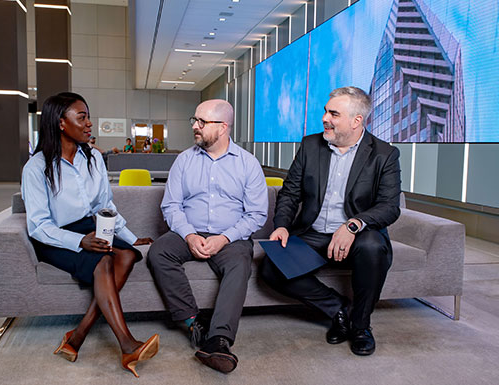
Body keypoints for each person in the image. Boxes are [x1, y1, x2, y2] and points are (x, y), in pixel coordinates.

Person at [21, 92, 159, 377]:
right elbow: (38, 226)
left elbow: (105, 207)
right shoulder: (36, 168)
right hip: (54, 236)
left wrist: (131, 238)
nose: (89, 124)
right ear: (61, 123)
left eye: (88, 116)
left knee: (128, 255)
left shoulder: (94, 157)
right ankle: (127, 344)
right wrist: (78, 241)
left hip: (88, 227)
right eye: (81, 117)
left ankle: (78, 335)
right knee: (104, 261)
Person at [261, 86, 401, 356]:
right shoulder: (311, 145)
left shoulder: (384, 154)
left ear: (356, 120)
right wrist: (281, 225)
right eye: (326, 111)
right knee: (270, 268)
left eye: (334, 114)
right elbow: (290, 192)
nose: (325, 118)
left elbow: (388, 207)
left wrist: (352, 225)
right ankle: (339, 310)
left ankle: (360, 327)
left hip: (359, 236)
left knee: (373, 246)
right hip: (313, 233)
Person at [147, 99, 268, 373]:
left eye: (202, 122)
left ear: (223, 127)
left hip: (230, 236)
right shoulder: (184, 160)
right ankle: (194, 322)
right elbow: (171, 205)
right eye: (195, 120)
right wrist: (189, 235)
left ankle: (219, 340)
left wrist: (224, 238)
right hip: (188, 230)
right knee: (158, 252)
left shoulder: (248, 164)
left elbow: (257, 214)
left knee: (240, 264)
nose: (195, 127)